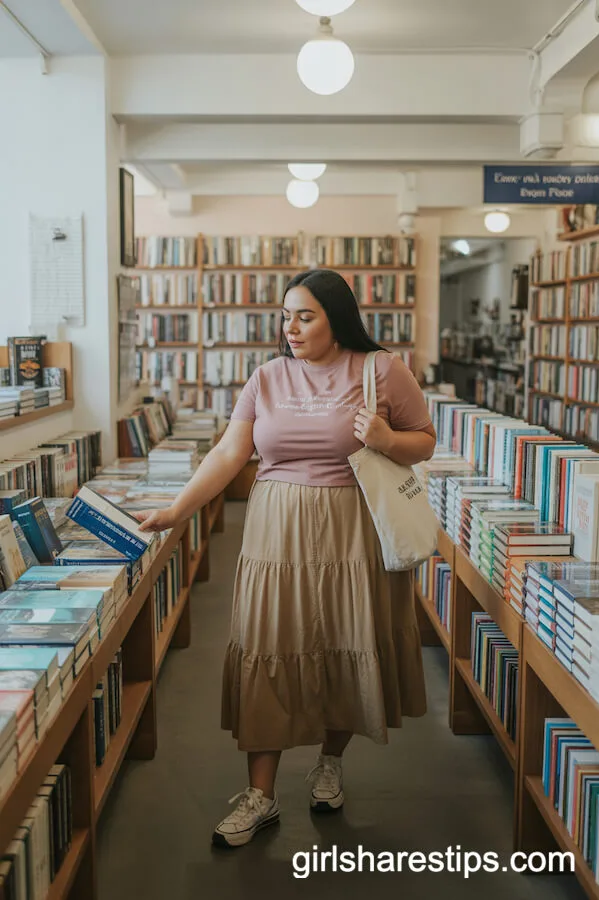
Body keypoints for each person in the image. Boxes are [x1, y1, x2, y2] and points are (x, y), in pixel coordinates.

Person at [136, 269, 437, 849]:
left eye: (306, 316)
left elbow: (423, 439)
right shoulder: (267, 377)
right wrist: (176, 511)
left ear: (337, 318)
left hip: (355, 533)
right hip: (275, 534)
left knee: (347, 646)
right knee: (266, 646)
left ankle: (330, 760)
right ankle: (261, 794)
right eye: (285, 316)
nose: (290, 328)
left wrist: (384, 438)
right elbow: (230, 452)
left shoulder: (380, 370)